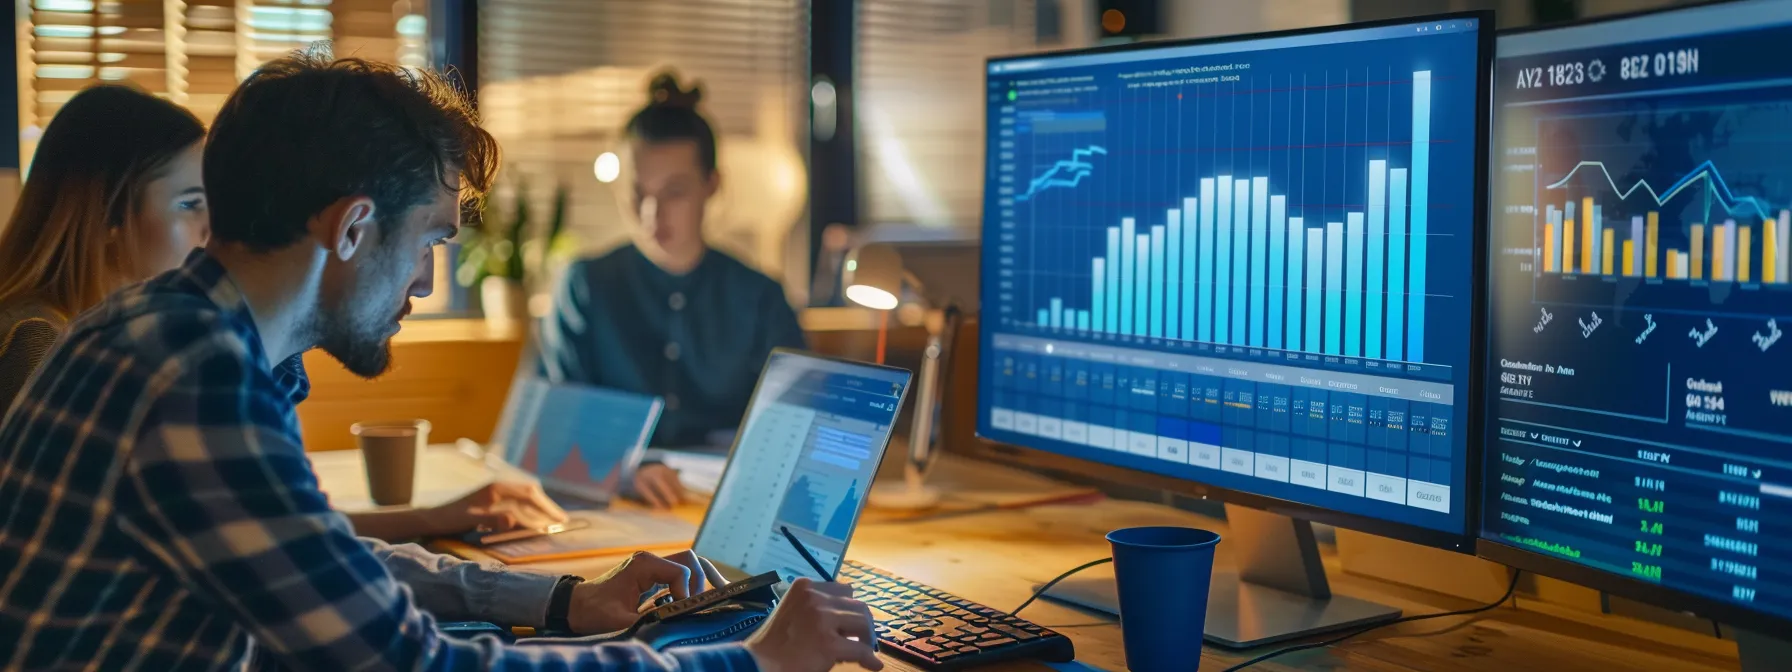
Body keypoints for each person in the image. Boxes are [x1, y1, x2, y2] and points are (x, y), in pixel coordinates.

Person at [0, 51, 880, 671]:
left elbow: (331, 561)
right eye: (429, 237)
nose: (427, 278)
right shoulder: (197, 383)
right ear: (350, 227)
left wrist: (564, 603)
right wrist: (750, 663)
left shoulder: (173, 334)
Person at [0, 83, 564, 542]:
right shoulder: (107, 354)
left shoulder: (154, 338)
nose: (212, 229)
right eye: (191, 204)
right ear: (106, 216)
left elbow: (279, 542)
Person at [542, 73, 807, 508]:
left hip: (728, 503)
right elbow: (559, 422)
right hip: (615, 501)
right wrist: (627, 467)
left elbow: (792, 425)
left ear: (712, 185)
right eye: (636, 192)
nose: (651, 213)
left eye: (675, 192)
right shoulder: (585, 284)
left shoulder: (759, 295)